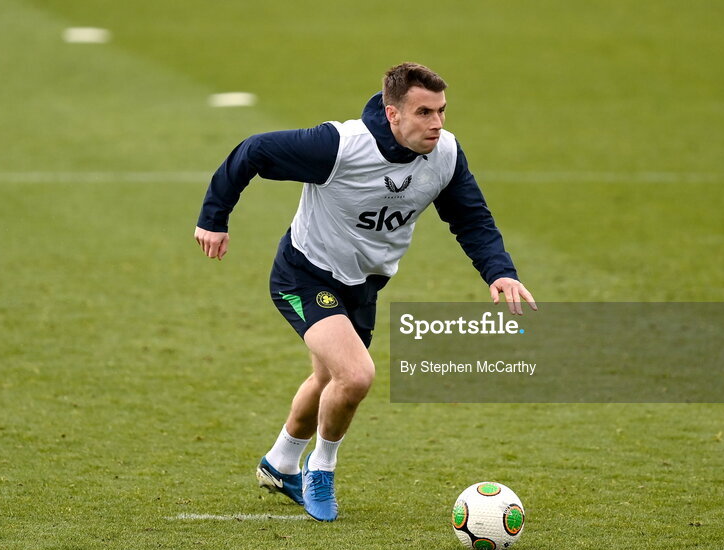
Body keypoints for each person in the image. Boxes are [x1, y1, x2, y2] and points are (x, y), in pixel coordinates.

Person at [194, 62, 536, 522]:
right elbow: (253, 151)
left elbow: (470, 218)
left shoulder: (447, 155)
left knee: (327, 380)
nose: (436, 123)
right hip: (304, 274)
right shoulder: (339, 146)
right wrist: (214, 218)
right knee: (355, 376)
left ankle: (279, 463)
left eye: (441, 111)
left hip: (365, 283)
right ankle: (322, 468)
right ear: (393, 115)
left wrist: (500, 271)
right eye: (423, 112)